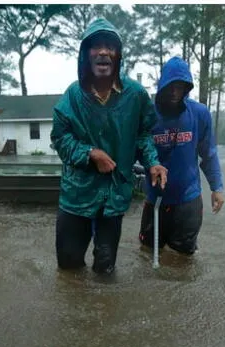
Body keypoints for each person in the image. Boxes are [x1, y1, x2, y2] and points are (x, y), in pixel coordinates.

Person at [50, 18, 168, 275]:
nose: (103, 51)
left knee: (105, 270)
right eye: (96, 46)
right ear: (86, 55)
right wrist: (90, 153)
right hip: (76, 195)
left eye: (110, 46)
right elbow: (59, 138)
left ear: (118, 56)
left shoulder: (135, 95)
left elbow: (143, 134)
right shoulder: (73, 95)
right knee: (68, 268)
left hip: (114, 194)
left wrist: (153, 162)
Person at [138, 56, 225, 255]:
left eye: (181, 87)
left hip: (188, 199)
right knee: (147, 252)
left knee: (184, 259)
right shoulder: (148, 114)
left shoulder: (199, 113)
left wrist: (217, 187)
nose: (175, 92)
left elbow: (208, 153)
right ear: (163, 85)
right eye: (171, 86)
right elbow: (138, 149)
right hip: (156, 199)